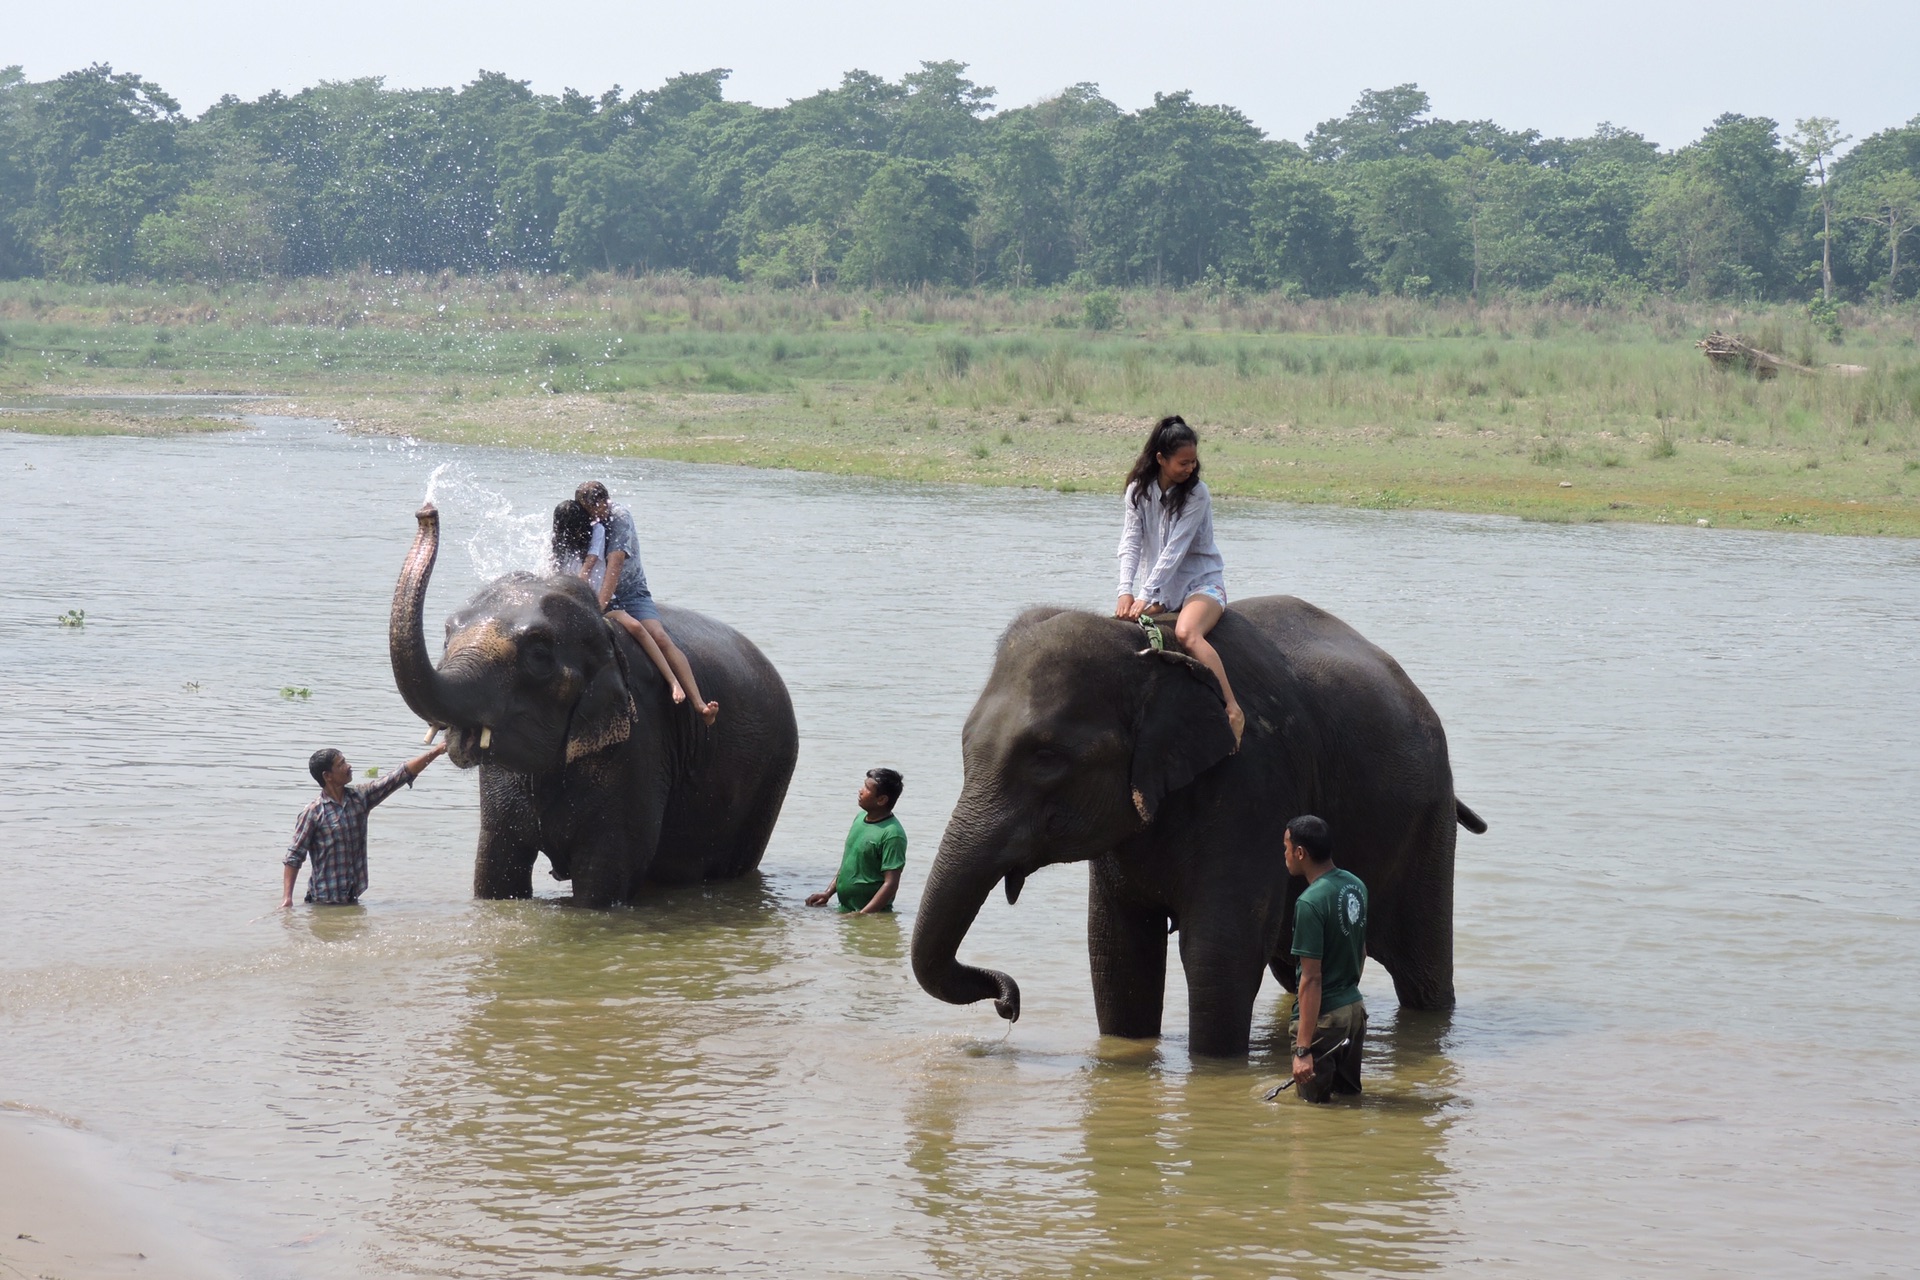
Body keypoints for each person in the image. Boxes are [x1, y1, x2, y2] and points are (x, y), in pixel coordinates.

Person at [1114, 415, 1244, 745]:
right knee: (1122, 628)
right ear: (1160, 458)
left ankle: (1232, 708)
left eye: (1193, 462)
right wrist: (1125, 592)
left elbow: (1175, 549)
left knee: (1187, 633)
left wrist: (1145, 594)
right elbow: (1130, 543)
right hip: (1163, 590)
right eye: (1182, 463)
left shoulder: (1197, 494)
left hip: (1202, 584)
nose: (1189, 468)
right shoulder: (1137, 492)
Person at [575, 480, 718, 726]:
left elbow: (615, 564)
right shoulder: (586, 519)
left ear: (603, 503)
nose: (590, 515)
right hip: (600, 592)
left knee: (658, 635)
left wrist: (599, 607)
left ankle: (700, 705)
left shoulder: (620, 517)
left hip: (630, 592)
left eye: (592, 509)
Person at [550, 498, 685, 703]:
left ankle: (673, 680)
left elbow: (591, 563)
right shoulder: (558, 542)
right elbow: (553, 570)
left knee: (636, 627)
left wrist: (594, 604)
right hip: (575, 602)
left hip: (599, 603)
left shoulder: (596, 532)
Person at [281, 744, 446, 907]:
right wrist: (287, 899)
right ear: (328, 776)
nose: (349, 766)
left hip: (352, 899)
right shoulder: (313, 813)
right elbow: (294, 857)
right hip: (323, 903)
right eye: (341, 764)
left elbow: (399, 775)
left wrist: (437, 751)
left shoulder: (359, 798)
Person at [1284, 815, 1369, 1102]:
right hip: (1354, 1011)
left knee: (1311, 1114)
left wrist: (1303, 1050)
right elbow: (1361, 949)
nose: (1284, 855)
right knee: (1348, 1102)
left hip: (1325, 1020)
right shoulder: (1356, 885)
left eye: (1286, 847)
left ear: (1300, 853)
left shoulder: (1310, 902)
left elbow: (1311, 978)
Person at [806, 768, 907, 914]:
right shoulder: (860, 819)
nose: (860, 791)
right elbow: (848, 864)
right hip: (847, 912)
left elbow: (890, 884)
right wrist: (828, 893)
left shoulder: (892, 834)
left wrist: (863, 915)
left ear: (881, 800)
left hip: (871, 917)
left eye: (867, 788)